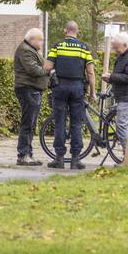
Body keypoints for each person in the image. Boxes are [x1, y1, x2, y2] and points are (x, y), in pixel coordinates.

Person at [43, 21, 96, 170]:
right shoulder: (84, 48)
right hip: (77, 88)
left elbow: (47, 67)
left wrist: (53, 71)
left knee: (59, 121)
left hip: (59, 87)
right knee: (76, 123)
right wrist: (92, 92)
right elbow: (90, 72)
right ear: (77, 31)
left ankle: (59, 159)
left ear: (65, 30)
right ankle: (75, 159)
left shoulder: (57, 46)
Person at [12, 27, 49, 166]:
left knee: (31, 124)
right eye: (41, 40)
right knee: (28, 123)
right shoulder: (25, 50)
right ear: (32, 39)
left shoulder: (30, 50)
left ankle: (28, 153)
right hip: (28, 89)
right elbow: (34, 70)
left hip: (33, 90)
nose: (42, 43)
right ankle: (23, 155)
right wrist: (48, 70)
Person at [102, 31, 128, 147]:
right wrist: (110, 79)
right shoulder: (123, 56)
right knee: (124, 125)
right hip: (123, 96)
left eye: (117, 48)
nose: (115, 50)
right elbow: (122, 75)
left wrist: (112, 76)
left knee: (121, 126)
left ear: (125, 45)